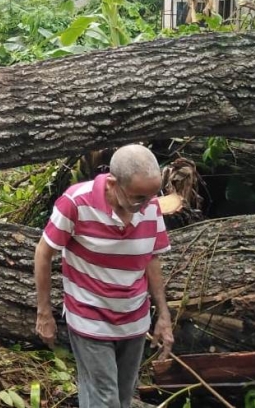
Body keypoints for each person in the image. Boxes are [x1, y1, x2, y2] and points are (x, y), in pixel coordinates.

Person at [34, 144, 175, 408]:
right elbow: (43, 253)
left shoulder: (150, 207)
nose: (146, 205)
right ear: (112, 183)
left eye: (151, 197)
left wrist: (163, 315)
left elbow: (151, 259)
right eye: (138, 198)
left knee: (121, 398)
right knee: (106, 399)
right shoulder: (76, 202)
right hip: (89, 318)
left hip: (134, 319)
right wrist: (44, 312)